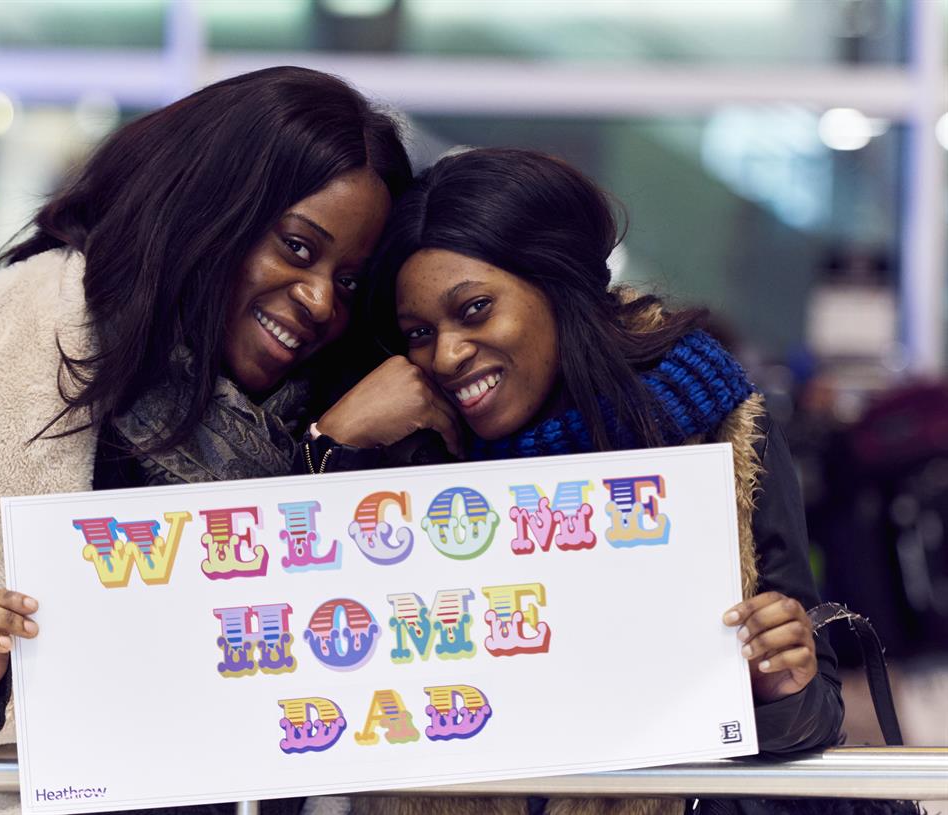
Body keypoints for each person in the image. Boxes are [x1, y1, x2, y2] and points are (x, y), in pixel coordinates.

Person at [0, 66, 412, 815]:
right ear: (211, 209)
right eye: (299, 248)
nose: (319, 300)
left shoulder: (346, 418)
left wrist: (326, 457)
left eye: (349, 282)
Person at [306, 148, 843, 815]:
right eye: (419, 332)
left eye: (474, 309)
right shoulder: (411, 458)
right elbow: (309, 684)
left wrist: (785, 686)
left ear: (558, 288)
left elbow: (813, 725)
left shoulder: (714, 428)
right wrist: (334, 445)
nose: (444, 355)